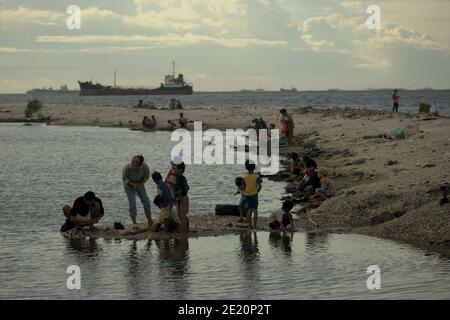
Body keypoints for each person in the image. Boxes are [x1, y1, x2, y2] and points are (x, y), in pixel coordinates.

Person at [123, 155, 153, 227]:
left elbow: (147, 176)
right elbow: (125, 179)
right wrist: (133, 184)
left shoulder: (144, 167)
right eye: (132, 161)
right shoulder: (127, 168)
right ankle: (134, 223)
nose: (133, 163)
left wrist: (141, 183)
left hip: (140, 184)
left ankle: (150, 221)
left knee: (146, 202)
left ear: (140, 164)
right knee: (132, 204)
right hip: (129, 186)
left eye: (136, 162)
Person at [242, 160, 262, 229]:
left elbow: (244, 187)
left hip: (248, 195)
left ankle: (250, 225)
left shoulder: (245, 177)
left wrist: (245, 192)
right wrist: (257, 191)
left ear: (246, 167)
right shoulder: (257, 176)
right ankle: (255, 226)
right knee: (255, 209)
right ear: (254, 167)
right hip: (254, 194)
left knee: (249, 209)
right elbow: (260, 186)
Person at [171, 158, 190, 233]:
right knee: (180, 215)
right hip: (179, 199)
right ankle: (185, 229)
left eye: (174, 169)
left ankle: (184, 230)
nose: (173, 170)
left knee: (182, 215)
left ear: (180, 170)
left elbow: (185, 188)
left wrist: (179, 195)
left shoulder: (181, 178)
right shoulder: (177, 178)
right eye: (172, 169)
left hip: (183, 198)